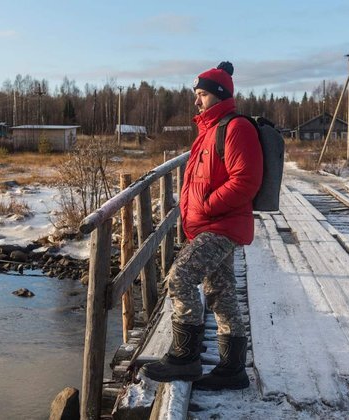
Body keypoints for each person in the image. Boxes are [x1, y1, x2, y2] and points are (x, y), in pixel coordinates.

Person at [140, 61, 263, 390]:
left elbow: (246, 180)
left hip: (222, 225)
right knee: (221, 294)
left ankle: (185, 358)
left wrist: (207, 206)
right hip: (209, 225)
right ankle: (232, 369)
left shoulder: (236, 128)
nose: (196, 101)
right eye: (196, 94)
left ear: (219, 96)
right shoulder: (209, 131)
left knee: (179, 276)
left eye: (203, 94)